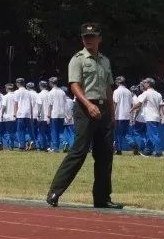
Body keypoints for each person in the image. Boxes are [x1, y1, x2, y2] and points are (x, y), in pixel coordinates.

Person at [46, 23, 121, 209]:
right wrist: (88, 105)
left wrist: (112, 114)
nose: (89, 40)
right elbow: (74, 85)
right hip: (84, 108)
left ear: (99, 39)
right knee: (78, 151)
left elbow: (108, 88)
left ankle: (102, 198)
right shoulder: (77, 59)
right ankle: (55, 191)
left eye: (92, 36)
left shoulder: (105, 61)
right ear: (82, 39)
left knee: (105, 155)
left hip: (103, 108)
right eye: (86, 37)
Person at [133, 78, 164, 157]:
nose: (144, 84)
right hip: (156, 117)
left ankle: (159, 152)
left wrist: (131, 109)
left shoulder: (146, 93)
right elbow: (160, 107)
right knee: (151, 135)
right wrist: (162, 116)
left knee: (153, 135)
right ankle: (148, 151)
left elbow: (139, 104)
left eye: (145, 82)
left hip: (150, 117)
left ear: (148, 84)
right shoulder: (158, 94)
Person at [111, 76, 134, 155]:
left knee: (118, 134)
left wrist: (112, 115)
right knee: (126, 133)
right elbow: (131, 104)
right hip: (127, 115)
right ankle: (133, 143)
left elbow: (115, 103)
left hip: (119, 115)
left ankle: (119, 149)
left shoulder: (116, 91)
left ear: (117, 82)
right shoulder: (128, 92)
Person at [46, 76, 68, 153]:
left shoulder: (51, 92)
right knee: (61, 131)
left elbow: (50, 105)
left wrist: (48, 116)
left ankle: (55, 147)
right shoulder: (62, 92)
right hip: (61, 114)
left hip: (54, 114)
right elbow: (65, 103)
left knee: (54, 131)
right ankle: (64, 142)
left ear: (51, 83)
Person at [14, 79, 35, 151]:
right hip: (28, 113)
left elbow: (16, 104)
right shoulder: (28, 92)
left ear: (17, 84)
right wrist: (31, 115)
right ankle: (31, 141)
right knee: (29, 130)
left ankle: (22, 146)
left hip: (20, 113)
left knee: (20, 130)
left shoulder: (16, 92)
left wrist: (14, 113)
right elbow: (31, 104)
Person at [36, 81, 50, 151]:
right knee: (49, 132)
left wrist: (38, 114)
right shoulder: (50, 93)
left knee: (42, 133)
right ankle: (50, 146)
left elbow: (39, 106)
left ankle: (43, 146)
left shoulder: (40, 95)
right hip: (50, 116)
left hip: (43, 116)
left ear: (40, 86)